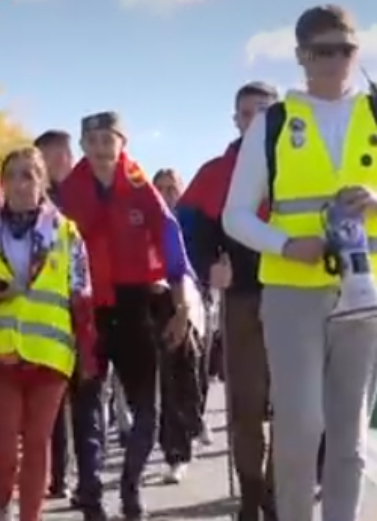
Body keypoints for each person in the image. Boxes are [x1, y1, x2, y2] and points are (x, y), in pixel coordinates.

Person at [222, 6, 377, 521]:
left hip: (363, 292)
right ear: (301, 56)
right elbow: (236, 215)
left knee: (349, 431)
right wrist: (287, 244)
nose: (335, 61)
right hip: (291, 293)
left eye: (345, 49)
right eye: (322, 50)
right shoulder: (273, 122)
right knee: (301, 425)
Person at [59, 112, 191, 520]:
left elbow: (173, 248)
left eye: (108, 140)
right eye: (93, 140)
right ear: (82, 145)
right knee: (87, 409)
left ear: (122, 143)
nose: (100, 148)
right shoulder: (68, 193)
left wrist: (183, 307)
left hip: (136, 306)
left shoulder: (141, 189)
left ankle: (131, 486)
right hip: (86, 311)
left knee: (146, 410)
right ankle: (92, 493)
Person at [0, 146, 97, 521]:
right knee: (2, 444)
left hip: (50, 354)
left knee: (37, 442)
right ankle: (2, 504)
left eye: (29, 175)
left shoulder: (66, 233)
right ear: (2, 182)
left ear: (43, 182)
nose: (20, 184)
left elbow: (81, 295)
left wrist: (87, 355)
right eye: (13, 175)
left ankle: (30, 516)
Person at [179, 80, 279, 520]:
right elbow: (183, 232)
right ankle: (252, 495)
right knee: (247, 404)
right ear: (236, 120)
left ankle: (278, 492)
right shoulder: (214, 173)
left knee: (293, 405)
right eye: (246, 114)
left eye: (264, 111)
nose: (255, 121)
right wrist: (206, 267)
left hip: (297, 296)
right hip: (240, 299)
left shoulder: (300, 162)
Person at [151, 168, 209, 484]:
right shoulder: (152, 223)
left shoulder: (191, 220)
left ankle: (195, 420)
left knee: (197, 374)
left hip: (199, 298)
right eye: (160, 187)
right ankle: (177, 452)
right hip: (166, 302)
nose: (166, 193)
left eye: (171, 188)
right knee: (174, 373)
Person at [33, 129, 76, 498]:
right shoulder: (33, 204)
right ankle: (58, 474)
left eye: (52, 156)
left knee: (86, 397)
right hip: (46, 316)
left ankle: (83, 472)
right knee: (53, 401)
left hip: (82, 306)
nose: (45, 165)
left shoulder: (85, 193)